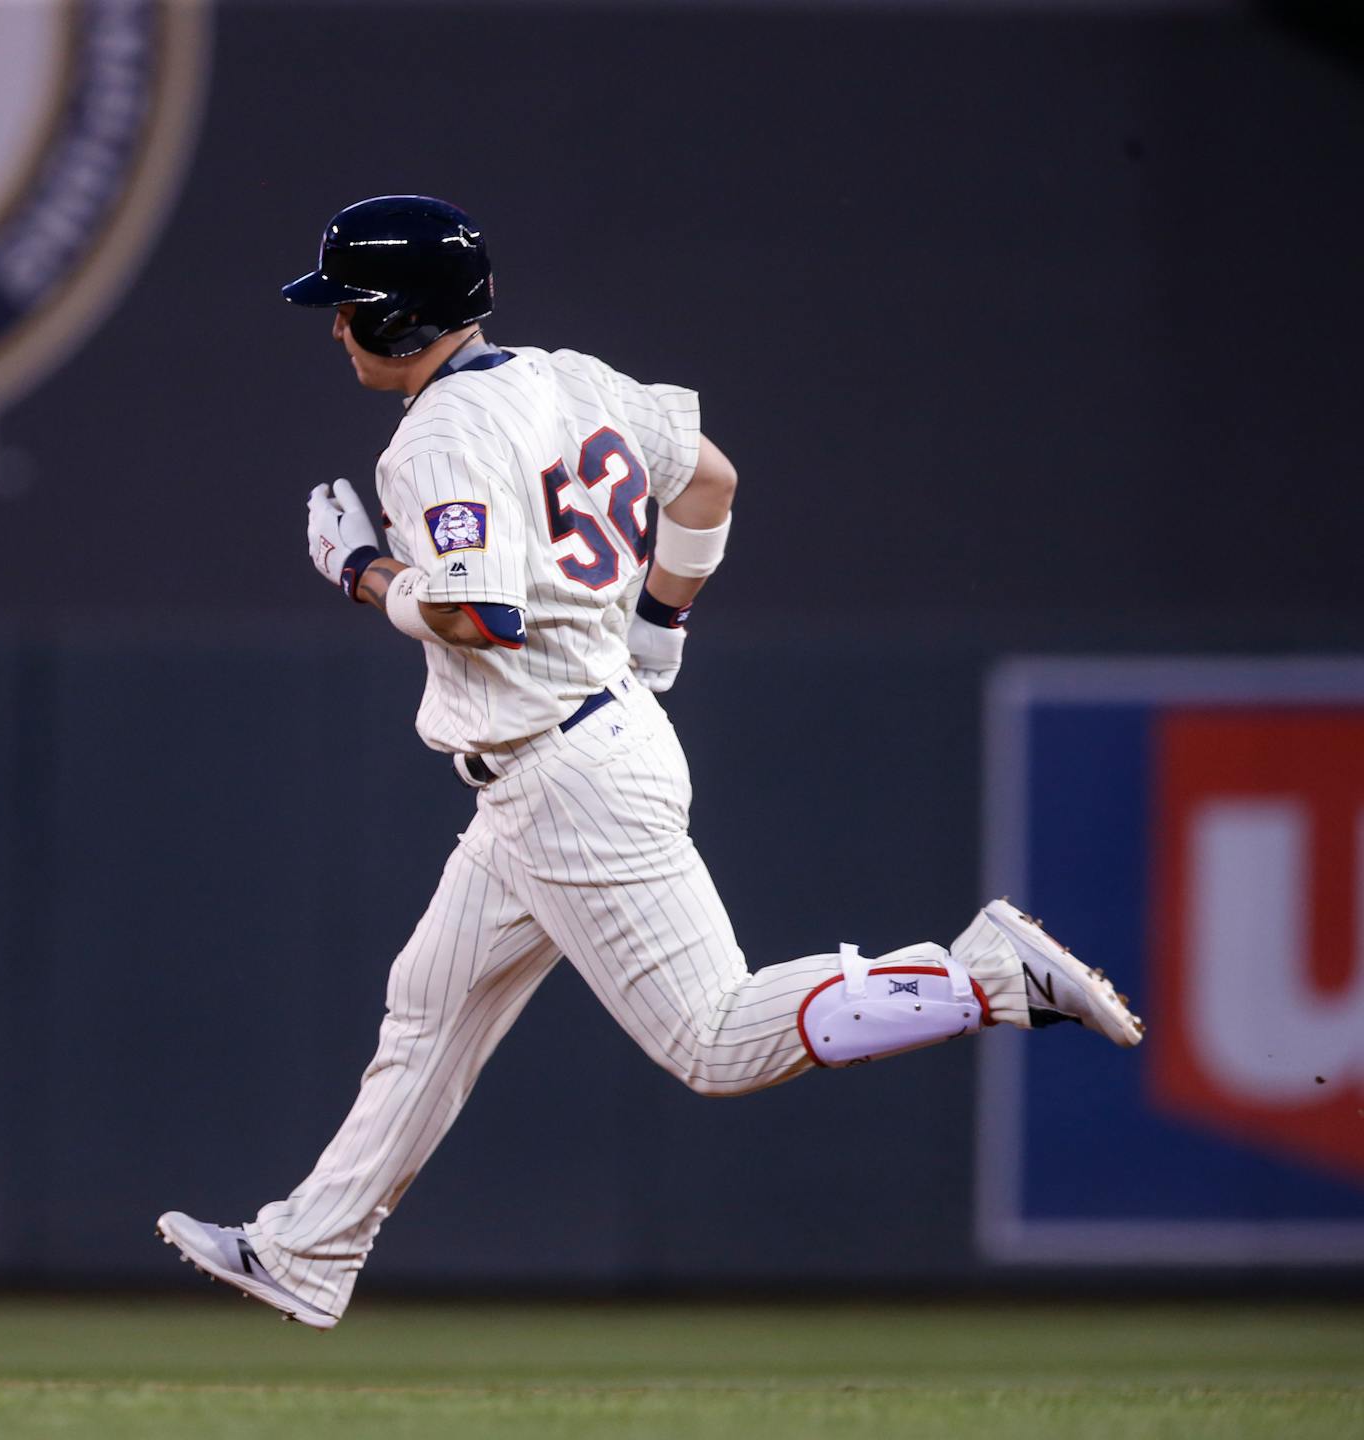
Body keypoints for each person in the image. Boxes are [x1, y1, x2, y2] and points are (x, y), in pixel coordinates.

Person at [155, 195, 1141, 1330]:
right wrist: (659, 626)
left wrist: (363, 575)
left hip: (563, 769)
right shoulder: (577, 378)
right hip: (564, 753)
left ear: (395, 316)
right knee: (428, 1009)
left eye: (344, 308)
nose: (332, 328)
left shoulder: (435, 437)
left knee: (716, 1041)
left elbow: (482, 615)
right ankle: (306, 1253)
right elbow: (710, 480)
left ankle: (983, 979)